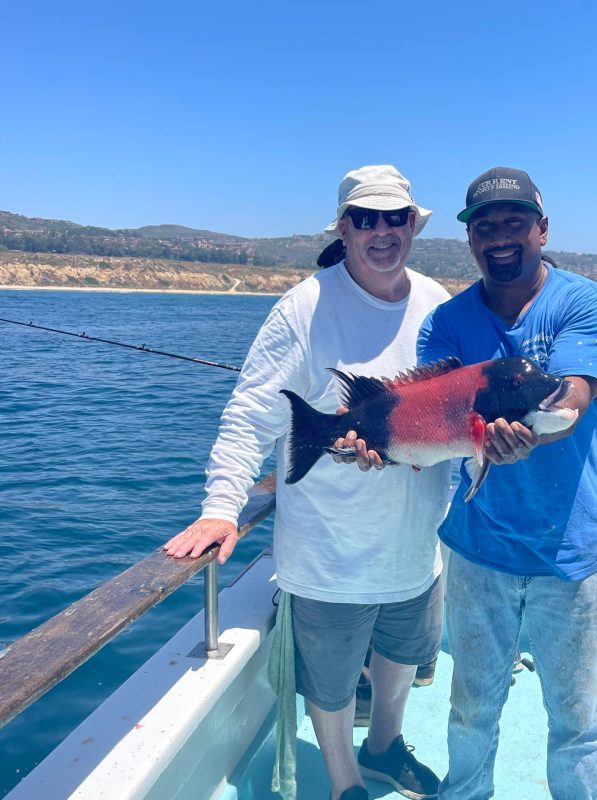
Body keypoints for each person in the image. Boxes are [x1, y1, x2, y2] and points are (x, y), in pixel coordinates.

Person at [164, 164, 451, 800]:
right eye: (365, 219)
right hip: (329, 551)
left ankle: (384, 748)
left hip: (416, 545)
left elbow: (456, 410)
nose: (382, 232)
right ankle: (344, 782)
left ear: (413, 226)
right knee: (329, 676)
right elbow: (248, 418)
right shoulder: (302, 307)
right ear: (343, 229)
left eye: (394, 218)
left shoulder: (439, 304)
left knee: (403, 657)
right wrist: (221, 509)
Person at [383, 166, 597, 800]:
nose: (499, 237)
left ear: (542, 229)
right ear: (470, 240)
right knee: (470, 712)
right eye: (484, 227)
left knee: (576, 723)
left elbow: (573, 395)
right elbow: (430, 421)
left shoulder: (588, 304)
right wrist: (379, 446)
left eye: (515, 222)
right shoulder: (448, 322)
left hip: (570, 555)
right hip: (478, 549)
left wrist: (541, 423)